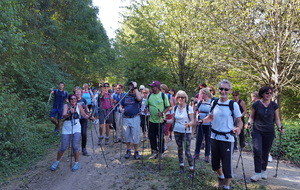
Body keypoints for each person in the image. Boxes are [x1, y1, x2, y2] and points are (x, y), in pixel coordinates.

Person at [198, 79, 243, 190]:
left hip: (227, 139)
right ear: (218, 90)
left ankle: (226, 186)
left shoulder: (233, 105)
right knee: (214, 164)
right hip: (214, 137)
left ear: (229, 91)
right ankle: (220, 176)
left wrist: (239, 129)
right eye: (221, 89)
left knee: (227, 164)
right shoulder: (214, 102)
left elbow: (239, 121)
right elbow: (210, 117)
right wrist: (202, 121)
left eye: (226, 89)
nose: (223, 91)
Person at [247, 86, 284, 182]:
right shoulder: (256, 104)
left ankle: (263, 170)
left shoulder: (274, 105)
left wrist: (280, 127)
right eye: (266, 93)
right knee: (257, 151)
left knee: (265, 152)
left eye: (270, 93)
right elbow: (251, 117)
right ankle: (257, 173)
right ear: (262, 94)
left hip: (269, 131)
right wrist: (249, 123)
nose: (268, 95)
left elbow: (277, 118)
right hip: (257, 130)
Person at [50, 94, 93, 171]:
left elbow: (83, 114)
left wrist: (89, 117)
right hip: (67, 128)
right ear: (69, 100)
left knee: (75, 146)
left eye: (75, 99)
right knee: (63, 147)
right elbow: (63, 116)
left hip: (76, 127)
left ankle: (76, 163)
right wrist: (69, 113)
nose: (73, 100)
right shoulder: (66, 106)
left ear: (76, 100)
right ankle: (56, 162)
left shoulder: (79, 106)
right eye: (72, 99)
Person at [167, 90, 194, 176]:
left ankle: (191, 168)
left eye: (182, 97)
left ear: (185, 98)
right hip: (177, 131)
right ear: (176, 98)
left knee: (187, 151)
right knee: (179, 148)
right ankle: (181, 166)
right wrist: (165, 121)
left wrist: (188, 124)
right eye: (179, 97)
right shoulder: (175, 108)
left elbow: (193, 121)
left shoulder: (188, 108)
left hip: (186, 132)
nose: (181, 99)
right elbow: (172, 120)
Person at [145, 80, 170, 159]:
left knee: (160, 137)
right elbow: (147, 105)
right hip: (151, 120)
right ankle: (154, 151)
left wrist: (162, 113)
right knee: (151, 136)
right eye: (151, 86)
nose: (151, 88)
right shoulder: (149, 96)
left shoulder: (163, 95)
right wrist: (146, 109)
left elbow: (168, 107)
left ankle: (161, 152)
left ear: (157, 87)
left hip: (160, 121)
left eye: (153, 87)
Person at [119, 81, 142, 159]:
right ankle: (128, 150)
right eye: (129, 87)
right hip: (125, 118)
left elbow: (139, 98)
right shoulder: (125, 96)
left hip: (135, 118)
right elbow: (120, 105)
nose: (130, 89)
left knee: (135, 136)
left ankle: (136, 151)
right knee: (127, 135)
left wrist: (135, 89)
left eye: (132, 87)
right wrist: (121, 109)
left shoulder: (136, 95)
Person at [193, 88, 213, 163]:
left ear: (206, 94)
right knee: (199, 138)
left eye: (201, 94)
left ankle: (207, 155)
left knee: (208, 139)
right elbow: (195, 110)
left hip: (209, 124)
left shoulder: (211, 102)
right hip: (200, 123)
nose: (200, 95)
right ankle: (196, 153)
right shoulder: (200, 102)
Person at [75, 88, 90, 156]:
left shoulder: (83, 100)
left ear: (81, 93)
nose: (78, 93)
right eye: (76, 92)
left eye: (79, 92)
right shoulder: (73, 100)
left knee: (84, 134)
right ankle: (75, 149)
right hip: (76, 120)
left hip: (83, 119)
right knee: (75, 135)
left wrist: (88, 113)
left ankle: (84, 149)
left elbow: (86, 108)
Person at [160, 84, 174, 150]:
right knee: (161, 129)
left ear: (164, 89)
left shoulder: (169, 95)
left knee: (166, 130)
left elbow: (172, 106)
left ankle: (165, 144)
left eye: (162, 89)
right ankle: (161, 143)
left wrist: (167, 109)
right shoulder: (159, 95)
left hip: (168, 114)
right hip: (160, 114)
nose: (161, 90)